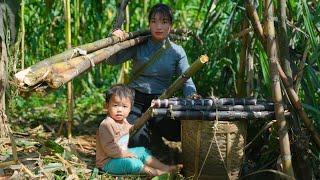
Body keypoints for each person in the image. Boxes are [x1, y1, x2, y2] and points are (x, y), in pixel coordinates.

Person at [106, 3, 200, 148]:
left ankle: (155, 132)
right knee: (137, 140)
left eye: (164, 22)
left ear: (171, 25)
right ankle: (147, 135)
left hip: (159, 101)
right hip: (134, 100)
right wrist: (113, 37)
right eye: (154, 21)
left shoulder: (177, 51)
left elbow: (186, 79)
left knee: (176, 131)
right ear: (149, 24)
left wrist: (192, 95)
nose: (158, 26)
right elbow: (111, 60)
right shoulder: (138, 44)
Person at [96, 84, 182, 175]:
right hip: (108, 162)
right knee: (133, 163)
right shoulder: (106, 125)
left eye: (124, 106)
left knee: (142, 151)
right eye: (115, 105)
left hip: (120, 156)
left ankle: (166, 168)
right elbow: (109, 148)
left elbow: (131, 127)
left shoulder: (123, 121)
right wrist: (125, 154)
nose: (119, 110)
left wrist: (151, 108)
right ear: (107, 106)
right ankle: (158, 173)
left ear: (130, 108)